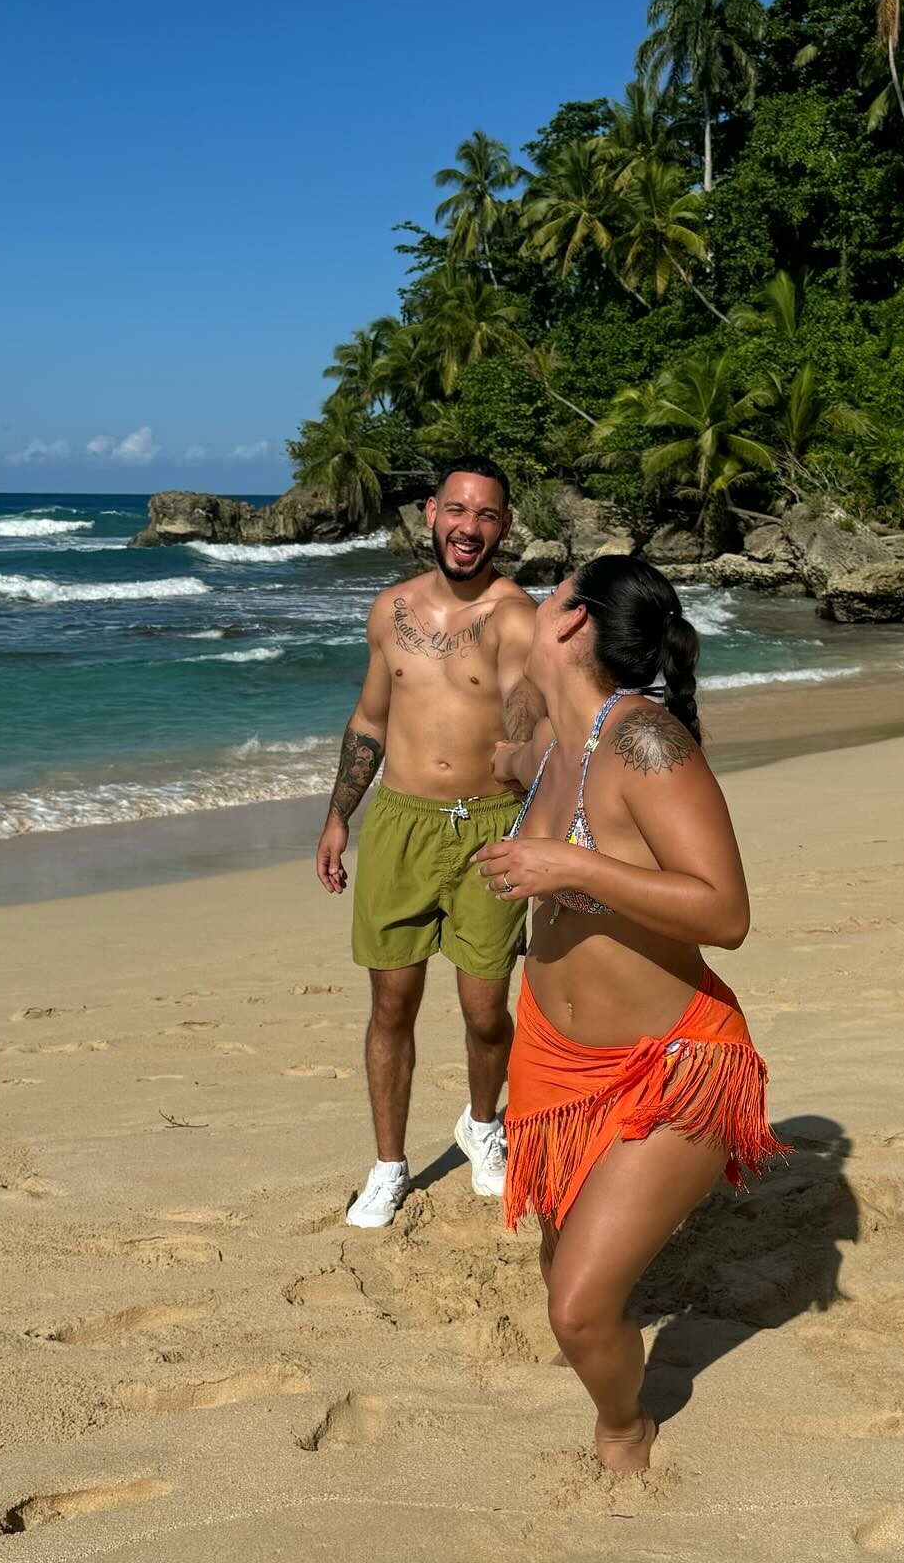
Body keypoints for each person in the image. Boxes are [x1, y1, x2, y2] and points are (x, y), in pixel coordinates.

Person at [473, 554, 786, 1473]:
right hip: (552, 1058)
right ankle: (606, 1358)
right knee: (559, 1272)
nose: (535, 604)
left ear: (574, 623)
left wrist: (572, 866)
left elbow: (725, 913)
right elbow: (505, 751)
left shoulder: (646, 742)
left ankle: (625, 1430)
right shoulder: (552, 746)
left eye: (550, 594)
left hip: (672, 1064)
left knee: (576, 1309)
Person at [316, 457, 542, 1229]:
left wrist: (533, 782)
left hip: (488, 826)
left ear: (503, 527)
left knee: (485, 1010)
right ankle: (389, 1165)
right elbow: (370, 718)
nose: (469, 528)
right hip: (399, 823)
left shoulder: (516, 617)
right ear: (430, 513)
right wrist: (339, 816)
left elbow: (525, 713)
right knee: (391, 1004)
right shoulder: (391, 610)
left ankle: (482, 1125)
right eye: (458, 510)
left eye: (486, 515)